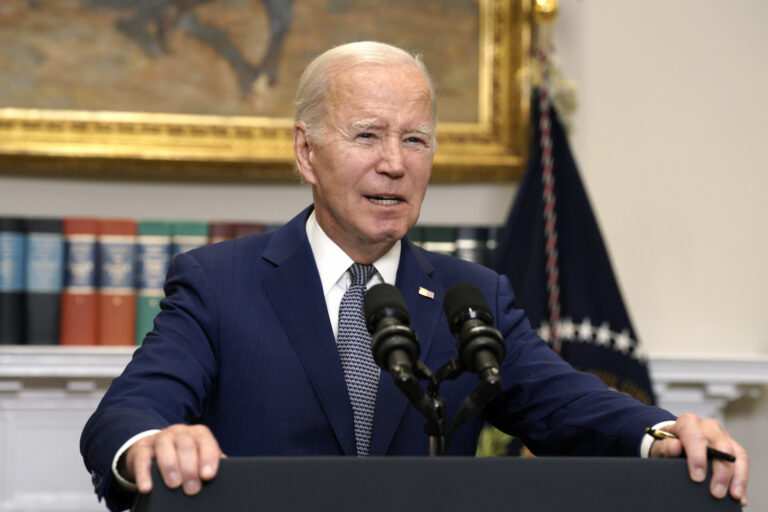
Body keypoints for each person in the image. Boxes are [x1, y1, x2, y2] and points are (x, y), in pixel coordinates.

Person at [80, 41, 749, 511]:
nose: (395, 164)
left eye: (416, 139)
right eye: (368, 135)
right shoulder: (219, 282)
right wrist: (154, 442)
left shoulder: (471, 297)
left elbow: (566, 402)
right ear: (306, 152)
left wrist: (663, 434)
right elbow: (127, 413)